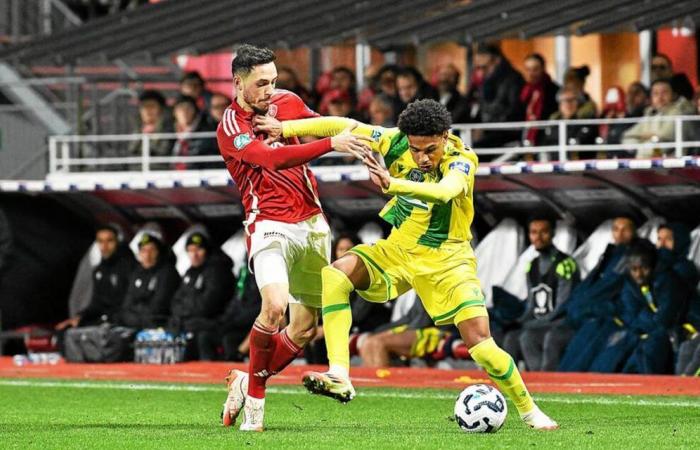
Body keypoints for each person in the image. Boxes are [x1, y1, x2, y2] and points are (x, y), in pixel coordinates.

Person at [275, 99, 558, 430]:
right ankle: (339, 373)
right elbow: (341, 124)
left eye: (430, 149)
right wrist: (284, 128)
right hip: (399, 249)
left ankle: (529, 410)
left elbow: (444, 192)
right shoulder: (394, 141)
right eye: (416, 149)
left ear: (445, 136)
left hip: (447, 260)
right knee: (335, 275)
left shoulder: (462, 159)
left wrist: (392, 184)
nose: (423, 158)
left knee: (481, 346)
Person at [215, 43, 371, 431]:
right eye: (261, 83)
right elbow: (271, 159)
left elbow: (322, 124)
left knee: (303, 327)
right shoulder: (231, 126)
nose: (270, 90)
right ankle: (256, 401)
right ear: (238, 82)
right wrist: (331, 145)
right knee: (273, 307)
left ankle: (244, 380)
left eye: (273, 81)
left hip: (312, 222)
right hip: (268, 223)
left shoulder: (286, 102)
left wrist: (366, 141)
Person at [559, 216, 638, 372]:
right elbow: (589, 285)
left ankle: (568, 381)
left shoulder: (631, 257)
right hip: (590, 314)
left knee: (589, 340)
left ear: (634, 232)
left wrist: (587, 307)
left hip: (611, 317)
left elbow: (609, 289)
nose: (620, 234)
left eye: (625, 229)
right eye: (616, 229)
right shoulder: (609, 254)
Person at [503, 217, 580, 372]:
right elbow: (531, 306)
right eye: (533, 232)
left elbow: (562, 308)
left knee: (528, 337)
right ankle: (508, 384)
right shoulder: (531, 266)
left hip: (561, 323)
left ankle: (543, 382)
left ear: (552, 234)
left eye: (543, 232)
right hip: (540, 324)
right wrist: (517, 322)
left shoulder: (564, 264)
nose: (538, 237)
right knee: (510, 337)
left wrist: (530, 325)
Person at [56, 224, 136, 331]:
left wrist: (109, 318)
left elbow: (131, 301)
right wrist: (81, 316)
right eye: (100, 241)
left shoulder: (129, 266)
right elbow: (97, 302)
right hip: (104, 318)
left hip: (122, 320)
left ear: (117, 242)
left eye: (109, 241)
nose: (104, 246)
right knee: (67, 329)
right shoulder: (99, 270)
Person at [169, 232, 235, 360]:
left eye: (198, 249)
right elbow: (175, 302)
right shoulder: (190, 272)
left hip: (215, 324)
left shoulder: (218, 270)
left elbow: (207, 305)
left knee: (200, 335)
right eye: (190, 250)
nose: (194, 254)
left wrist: (185, 310)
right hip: (191, 322)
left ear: (207, 250)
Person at [119, 233, 180, 330]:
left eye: (152, 250)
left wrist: (135, 314)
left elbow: (159, 307)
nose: (147, 255)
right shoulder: (137, 272)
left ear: (159, 252)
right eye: (143, 251)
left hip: (158, 324)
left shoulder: (167, 273)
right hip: (135, 322)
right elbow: (127, 304)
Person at [622, 78, 694, 157]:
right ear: (650, 98)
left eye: (664, 92)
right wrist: (642, 145)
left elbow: (666, 136)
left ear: (673, 95)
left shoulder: (680, 112)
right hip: (645, 163)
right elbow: (627, 136)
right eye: (655, 93)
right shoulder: (650, 114)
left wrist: (646, 138)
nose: (660, 97)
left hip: (673, 165)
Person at [472, 43, 524, 148]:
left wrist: (486, 128)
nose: (481, 72)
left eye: (484, 67)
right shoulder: (485, 82)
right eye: (478, 68)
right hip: (491, 129)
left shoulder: (513, 79)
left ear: (496, 60)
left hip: (507, 131)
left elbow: (514, 110)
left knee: (476, 149)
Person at [520, 54, 559, 146]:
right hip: (525, 136)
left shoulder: (553, 90)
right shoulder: (523, 90)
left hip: (545, 138)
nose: (531, 74)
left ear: (543, 69)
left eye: (535, 69)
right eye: (528, 70)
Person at [171, 95, 220, 170]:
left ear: (195, 111)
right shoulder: (169, 132)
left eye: (188, 108)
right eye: (181, 108)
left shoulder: (207, 132)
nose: (184, 112)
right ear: (174, 112)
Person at [128, 90, 174, 163]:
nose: (148, 110)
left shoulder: (169, 129)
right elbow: (131, 150)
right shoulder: (136, 128)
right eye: (144, 106)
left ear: (161, 109)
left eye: (152, 106)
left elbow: (164, 151)